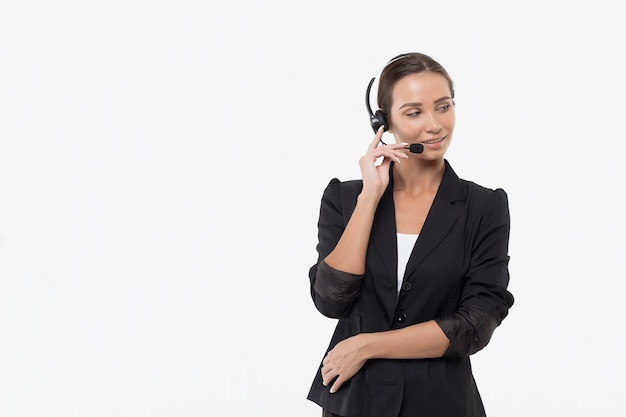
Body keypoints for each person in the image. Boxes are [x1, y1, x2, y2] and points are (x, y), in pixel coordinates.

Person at [306, 52, 514, 417]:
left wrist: (368, 346)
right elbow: (331, 300)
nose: (435, 125)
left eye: (443, 106)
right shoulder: (344, 198)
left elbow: (476, 323)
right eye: (414, 112)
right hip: (356, 404)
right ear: (383, 124)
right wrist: (369, 197)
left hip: (442, 404)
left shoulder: (483, 207)